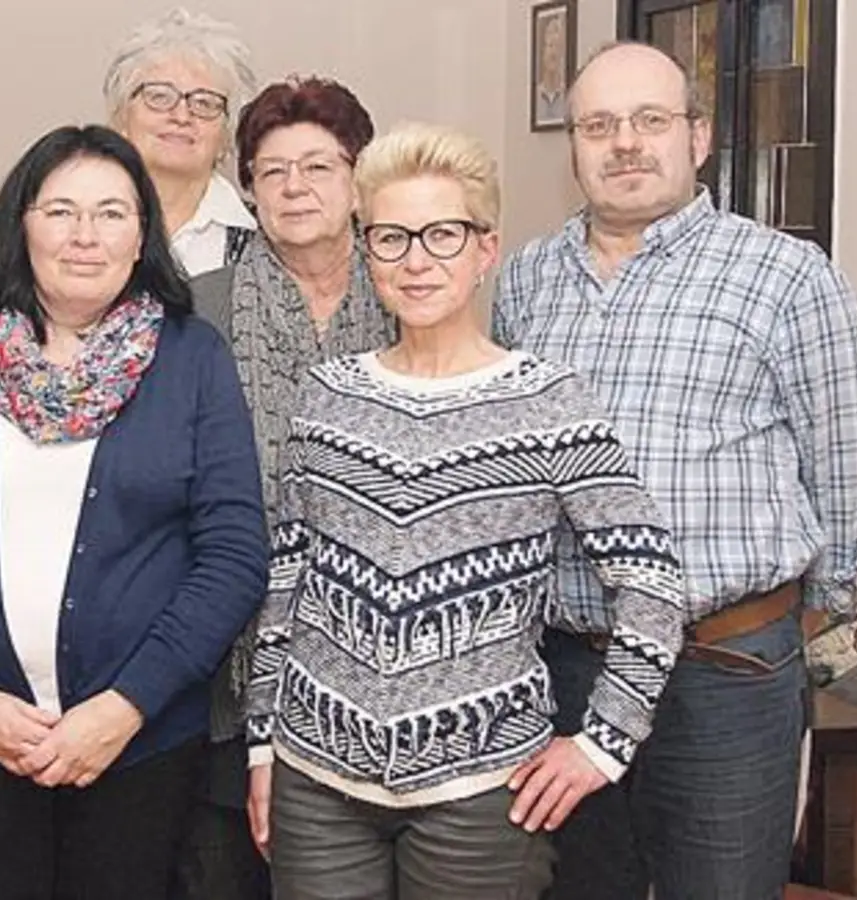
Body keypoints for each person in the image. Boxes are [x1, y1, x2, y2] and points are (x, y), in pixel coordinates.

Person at [244, 120, 689, 899]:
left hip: (483, 795)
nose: (416, 260)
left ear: (486, 250)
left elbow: (650, 582)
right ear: (365, 248)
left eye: (442, 235)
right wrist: (260, 746)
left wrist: (604, 744)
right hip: (314, 781)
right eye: (390, 238)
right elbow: (289, 576)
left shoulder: (550, 402)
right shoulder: (326, 396)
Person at [494, 41, 857, 899]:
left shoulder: (786, 276)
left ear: (699, 137)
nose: (626, 143)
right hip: (568, 668)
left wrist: (796, 617)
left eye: (651, 120)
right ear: (574, 148)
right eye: (600, 125)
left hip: (724, 674)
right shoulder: (527, 279)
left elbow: (852, 471)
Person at [0, 123, 269, 900]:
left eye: (112, 213)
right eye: (60, 211)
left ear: (143, 233)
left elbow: (232, 556)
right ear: (21, 223)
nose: (85, 236)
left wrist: (124, 708)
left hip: (140, 747)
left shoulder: (193, 357)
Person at [183, 74, 391, 900]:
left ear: (358, 178)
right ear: (247, 189)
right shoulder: (196, 312)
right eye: (272, 171)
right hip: (227, 674)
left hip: (382, 670)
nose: (295, 187)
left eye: (318, 166)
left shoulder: (414, 297)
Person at [106, 7, 258, 277]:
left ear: (227, 133)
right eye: (159, 96)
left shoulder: (266, 239)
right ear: (121, 116)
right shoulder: (77, 227)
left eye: (205, 103)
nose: (181, 116)